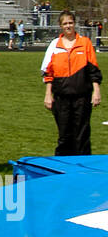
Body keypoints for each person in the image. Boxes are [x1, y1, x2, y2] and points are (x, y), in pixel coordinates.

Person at [42, 11, 102, 156]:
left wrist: (96, 91)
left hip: (82, 96)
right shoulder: (54, 45)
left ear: (75, 24)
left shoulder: (85, 43)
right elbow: (48, 73)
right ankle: (63, 168)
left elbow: (93, 69)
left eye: (70, 23)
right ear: (60, 26)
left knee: (81, 133)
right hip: (61, 97)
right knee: (64, 134)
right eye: (65, 23)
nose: (68, 26)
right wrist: (48, 95)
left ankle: (82, 170)